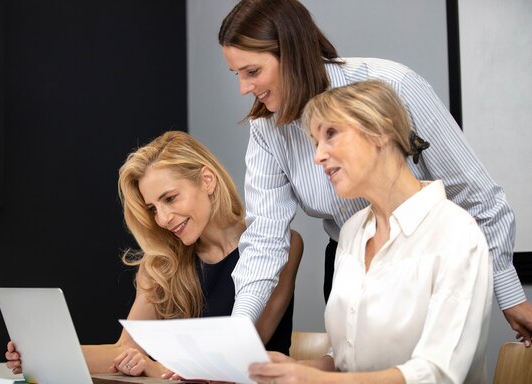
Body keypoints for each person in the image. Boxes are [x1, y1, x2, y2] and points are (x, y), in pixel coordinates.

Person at [218, 0, 532, 345]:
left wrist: (508, 289)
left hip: (420, 259)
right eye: (237, 75)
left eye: (252, 72)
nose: (244, 89)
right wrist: (238, 327)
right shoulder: (267, 126)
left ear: (290, 53)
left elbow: (474, 193)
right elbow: (265, 235)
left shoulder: (392, 84)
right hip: (348, 258)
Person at [249, 80, 493, 384]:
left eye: (331, 134)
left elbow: (439, 377)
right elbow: (348, 358)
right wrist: (296, 370)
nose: (317, 157)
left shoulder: (456, 233)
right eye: (315, 142)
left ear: (380, 131)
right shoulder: (351, 232)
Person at [5, 131, 303, 377]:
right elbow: (125, 350)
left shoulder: (283, 245)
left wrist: (152, 367)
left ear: (207, 180)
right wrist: (42, 356)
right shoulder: (161, 262)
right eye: (153, 208)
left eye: (170, 198)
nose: (163, 219)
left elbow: (244, 350)